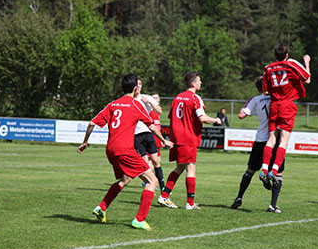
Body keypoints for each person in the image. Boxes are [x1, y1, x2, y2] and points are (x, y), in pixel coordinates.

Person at [77, 73, 173, 231]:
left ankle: (101, 207)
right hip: (125, 149)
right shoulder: (135, 104)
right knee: (152, 181)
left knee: (125, 178)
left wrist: (85, 141)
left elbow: (92, 122)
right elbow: (151, 126)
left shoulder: (113, 104)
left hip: (111, 150)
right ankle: (139, 220)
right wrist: (163, 140)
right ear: (136, 89)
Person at [157, 72, 221, 210]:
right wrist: (215, 120)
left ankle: (164, 196)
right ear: (193, 83)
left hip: (176, 137)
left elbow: (171, 116)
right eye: (199, 81)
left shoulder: (177, 98)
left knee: (180, 167)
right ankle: (190, 203)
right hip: (188, 137)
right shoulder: (195, 98)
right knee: (191, 168)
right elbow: (202, 118)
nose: (201, 83)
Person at [259, 43, 311, 190]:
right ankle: (273, 171)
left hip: (274, 105)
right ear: (287, 55)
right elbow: (307, 79)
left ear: (275, 55)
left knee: (271, 139)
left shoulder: (268, 68)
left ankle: (264, 170)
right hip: (287, 105)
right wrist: (306, 62)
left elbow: (266, 91)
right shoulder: (290, 63)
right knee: (283, 141)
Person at [231, 76, 284, 213]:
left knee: (250, 170)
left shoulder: (256, 100)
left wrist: (246, 103)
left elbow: (241, 115)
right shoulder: (277, 98)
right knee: (278, 173)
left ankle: (239, 197)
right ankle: (273, 205)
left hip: (260, 140)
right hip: (275, 140)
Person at [133, 79, 166, 193]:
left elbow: (159, 111)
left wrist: (150, 102)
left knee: (156, 161)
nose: (139, 86)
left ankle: (163, 188)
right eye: (137, 84)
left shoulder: (146, 98)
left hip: (149, 133)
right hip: (136, 135)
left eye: (141, 84)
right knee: (144, 163)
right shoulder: (129, 100)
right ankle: (150, 183)